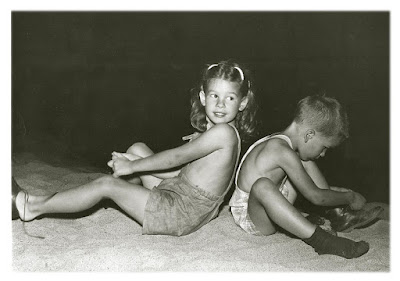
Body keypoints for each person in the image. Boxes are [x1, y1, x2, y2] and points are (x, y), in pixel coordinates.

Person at [12, 60, 257, 237]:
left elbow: (175, 158)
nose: (221, 104)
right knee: (138, 148)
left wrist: (132, 166)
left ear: (243, 102)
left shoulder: (222, 134)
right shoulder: (221, 134)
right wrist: (134, 160)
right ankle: (123, 193)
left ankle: (31, 207)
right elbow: (178, 173)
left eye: (230, 98)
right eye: (215, 96)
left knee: (106, 184)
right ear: (203, 97)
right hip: (182, 197)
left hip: (180, 212)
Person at [229, 95, 376, 259]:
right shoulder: (280, 149)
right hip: (250, 216)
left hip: (270, 205)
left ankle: (337, 214)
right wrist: (349, 197)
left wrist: (336, 194)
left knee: (304, 159)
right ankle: (323, 241)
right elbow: (315, 197)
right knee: (262, 185)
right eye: (324, 147)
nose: (323, 154)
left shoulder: (284, 143)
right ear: (309, 135)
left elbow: (317, 193)